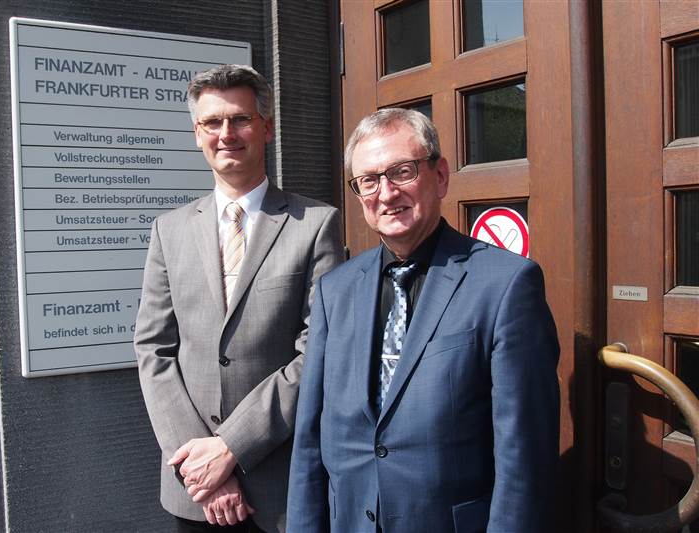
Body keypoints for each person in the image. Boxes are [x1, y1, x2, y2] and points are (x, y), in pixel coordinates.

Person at [287, 108, 560, 533]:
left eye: (402, 171)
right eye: (369, 180)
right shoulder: (333, 291)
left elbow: (525, 457)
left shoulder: (506, 285)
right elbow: (309, 441)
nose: (386, 192)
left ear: (441, 176)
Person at [134, 64, 343, 533]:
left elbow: (319, 353)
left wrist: (230, 447)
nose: (226, 133)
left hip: (280, 487)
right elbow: (153, 351)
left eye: (240, 119)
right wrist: (202, 467)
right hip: (195, 492)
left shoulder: (315, 225)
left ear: (266, 128)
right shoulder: (169, 231)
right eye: (212, 122)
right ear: (197, 134)